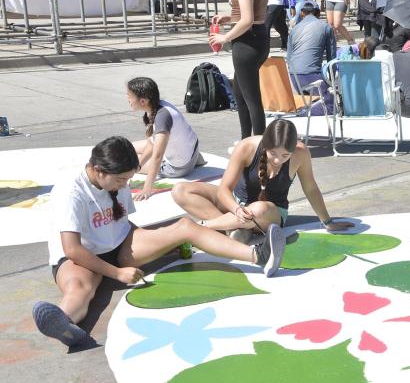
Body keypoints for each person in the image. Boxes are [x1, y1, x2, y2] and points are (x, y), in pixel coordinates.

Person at [32, 136, 285, 347]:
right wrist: (117, 273)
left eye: (128, 179)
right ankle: (64, 324)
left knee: (184, 226)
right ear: (99, 170)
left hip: (119, 244)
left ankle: (258, 255)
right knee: (80, 288)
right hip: (83, 258)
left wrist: (160, 243)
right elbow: (72, 249)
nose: (125, 184)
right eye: (121, 180)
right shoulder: (71, 191)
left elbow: (123, 225)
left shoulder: (116, 178)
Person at [172, 119, 352, 246]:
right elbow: (223, 190)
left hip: (269, 213)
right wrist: (235, 209)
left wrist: (327, 221)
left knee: (258, 208)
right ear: (265, 145)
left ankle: (198, 228)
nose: (277, 160)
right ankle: (234, 228)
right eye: (273, 153)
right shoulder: (246, 147)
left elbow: (311, 188)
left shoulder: (301, 153)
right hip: (236, 205)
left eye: (285, 156)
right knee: (181, 190)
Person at [209, 0, 272, 141]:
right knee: (240, 92)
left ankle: (259, 147)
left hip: (246, 44)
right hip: (259, 39)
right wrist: (229, 18)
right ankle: (246, 140)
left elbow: (247, 20)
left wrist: (224, 37)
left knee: (251, 99)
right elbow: (253, 14)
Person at [127, 77, 206, 200]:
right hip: (192, 152)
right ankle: (194, 161)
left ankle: (190, 163)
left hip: (178, 168)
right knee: (128, 148)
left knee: (127, 160)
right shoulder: (158, 105)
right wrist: (138, 166)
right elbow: (151, 144)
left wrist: (147, 189)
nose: (128, 99)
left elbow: (157, 156)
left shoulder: (162, 117)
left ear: (143, 101)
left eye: (129, 96)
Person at [286, 1, 337, 114]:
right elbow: (331, 60)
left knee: (314, 99)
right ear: (318, 14)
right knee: (332, 106)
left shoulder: (294, 29)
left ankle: (307, 108)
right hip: (312, 76)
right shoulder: (326, 27)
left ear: (302, 14)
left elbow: (289, 58)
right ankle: (305, 113)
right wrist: (332, 84)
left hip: (294, 77)